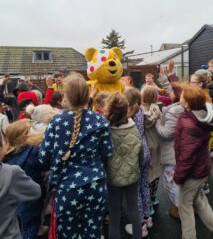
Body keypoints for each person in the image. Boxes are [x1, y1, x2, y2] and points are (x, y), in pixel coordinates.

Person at [39, 73, 113, 239]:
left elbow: (43, 159)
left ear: (66, 96)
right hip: (96, 186)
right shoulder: (100, 121)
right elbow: (107, 152)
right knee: (93, 233)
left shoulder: (56, 122)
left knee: (68, 235)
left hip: (66, 189)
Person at [174, 84, 213, 239]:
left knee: (184, 206)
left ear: (187, 103)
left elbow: (187, 156)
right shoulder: (201, 116)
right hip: (201, 168)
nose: (179, 97)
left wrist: (179, 176)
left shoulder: (189, 124)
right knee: (200, 200)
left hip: (191, 173)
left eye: (182, 96)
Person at [105, 92, 143, 239]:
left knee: (114, 216)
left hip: (112, 180)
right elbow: (141, 155)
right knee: (134, 211)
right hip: (132, 177)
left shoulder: (105, 132)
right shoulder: (134, 130)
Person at [4, 119, 45, 239]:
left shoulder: (7, 154)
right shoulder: (32, 152)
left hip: (13, 201)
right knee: (30, 227)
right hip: (31, 199)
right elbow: (46, 163)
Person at [124, 88, 152, 237]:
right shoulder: (141, 111)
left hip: (135, 154)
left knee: (135, 191)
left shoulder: (128, 116)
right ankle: (147, 217)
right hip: (145, 151)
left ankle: (139, 224)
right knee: (144, 185)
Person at [155, 83, 184, 219]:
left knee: (171, 181)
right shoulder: (184, 107)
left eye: (172, 91)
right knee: (180, 180)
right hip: (182, 149)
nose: (169, 92)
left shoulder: (174, 111)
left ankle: (179, 208)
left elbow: (166, 133)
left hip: (172, 151)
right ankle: (184, 205)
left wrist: (157, 122)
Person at [141, 86, 162, 215]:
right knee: (156, 172)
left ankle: (147, 201)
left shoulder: (139, 110)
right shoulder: (157, 108)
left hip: (145, 143)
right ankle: (154, 197)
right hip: (156, 142)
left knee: (146, 174)